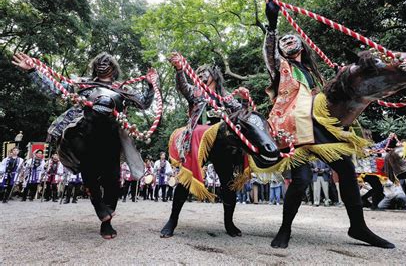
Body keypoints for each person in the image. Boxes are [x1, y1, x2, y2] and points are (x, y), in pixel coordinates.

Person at [263, 0, 393, 249]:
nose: (288, 42)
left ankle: (358, 227)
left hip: (319, 124)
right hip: (292, 126)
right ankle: (285, 229)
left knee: (346, 168)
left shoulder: (314, 74)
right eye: (283, 41)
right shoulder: (282, 67)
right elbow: (269, 53)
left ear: (301, 44)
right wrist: (273, 23)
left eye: (292, 39)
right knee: (301, 180)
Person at [12, 52, 156, 239]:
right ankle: (99, 206)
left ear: (114, 68)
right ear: (94, 66)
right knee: (89, 172)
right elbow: (55, 90)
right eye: (100, 62)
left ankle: (107, 221)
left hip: (112, 139)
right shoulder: (82, 84)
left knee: (113, 180)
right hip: (84, 135)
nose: (103, 64)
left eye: (107, 62)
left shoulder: (122, 89)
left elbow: (144, 103)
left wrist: (151, 84)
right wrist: (32, 71)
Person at [160, 53, 243, 237]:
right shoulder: (195, 91)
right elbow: (182, 86)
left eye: (205, 71)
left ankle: (229, 223)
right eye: (198, 72)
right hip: (197, 142)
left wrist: (238, 103)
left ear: (214, 74)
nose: (202, 74)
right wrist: (180, 69)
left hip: (221, 144)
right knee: (184, 181)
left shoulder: (227, 97)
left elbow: (239, 111)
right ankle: (172, 221)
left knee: (228, 184)